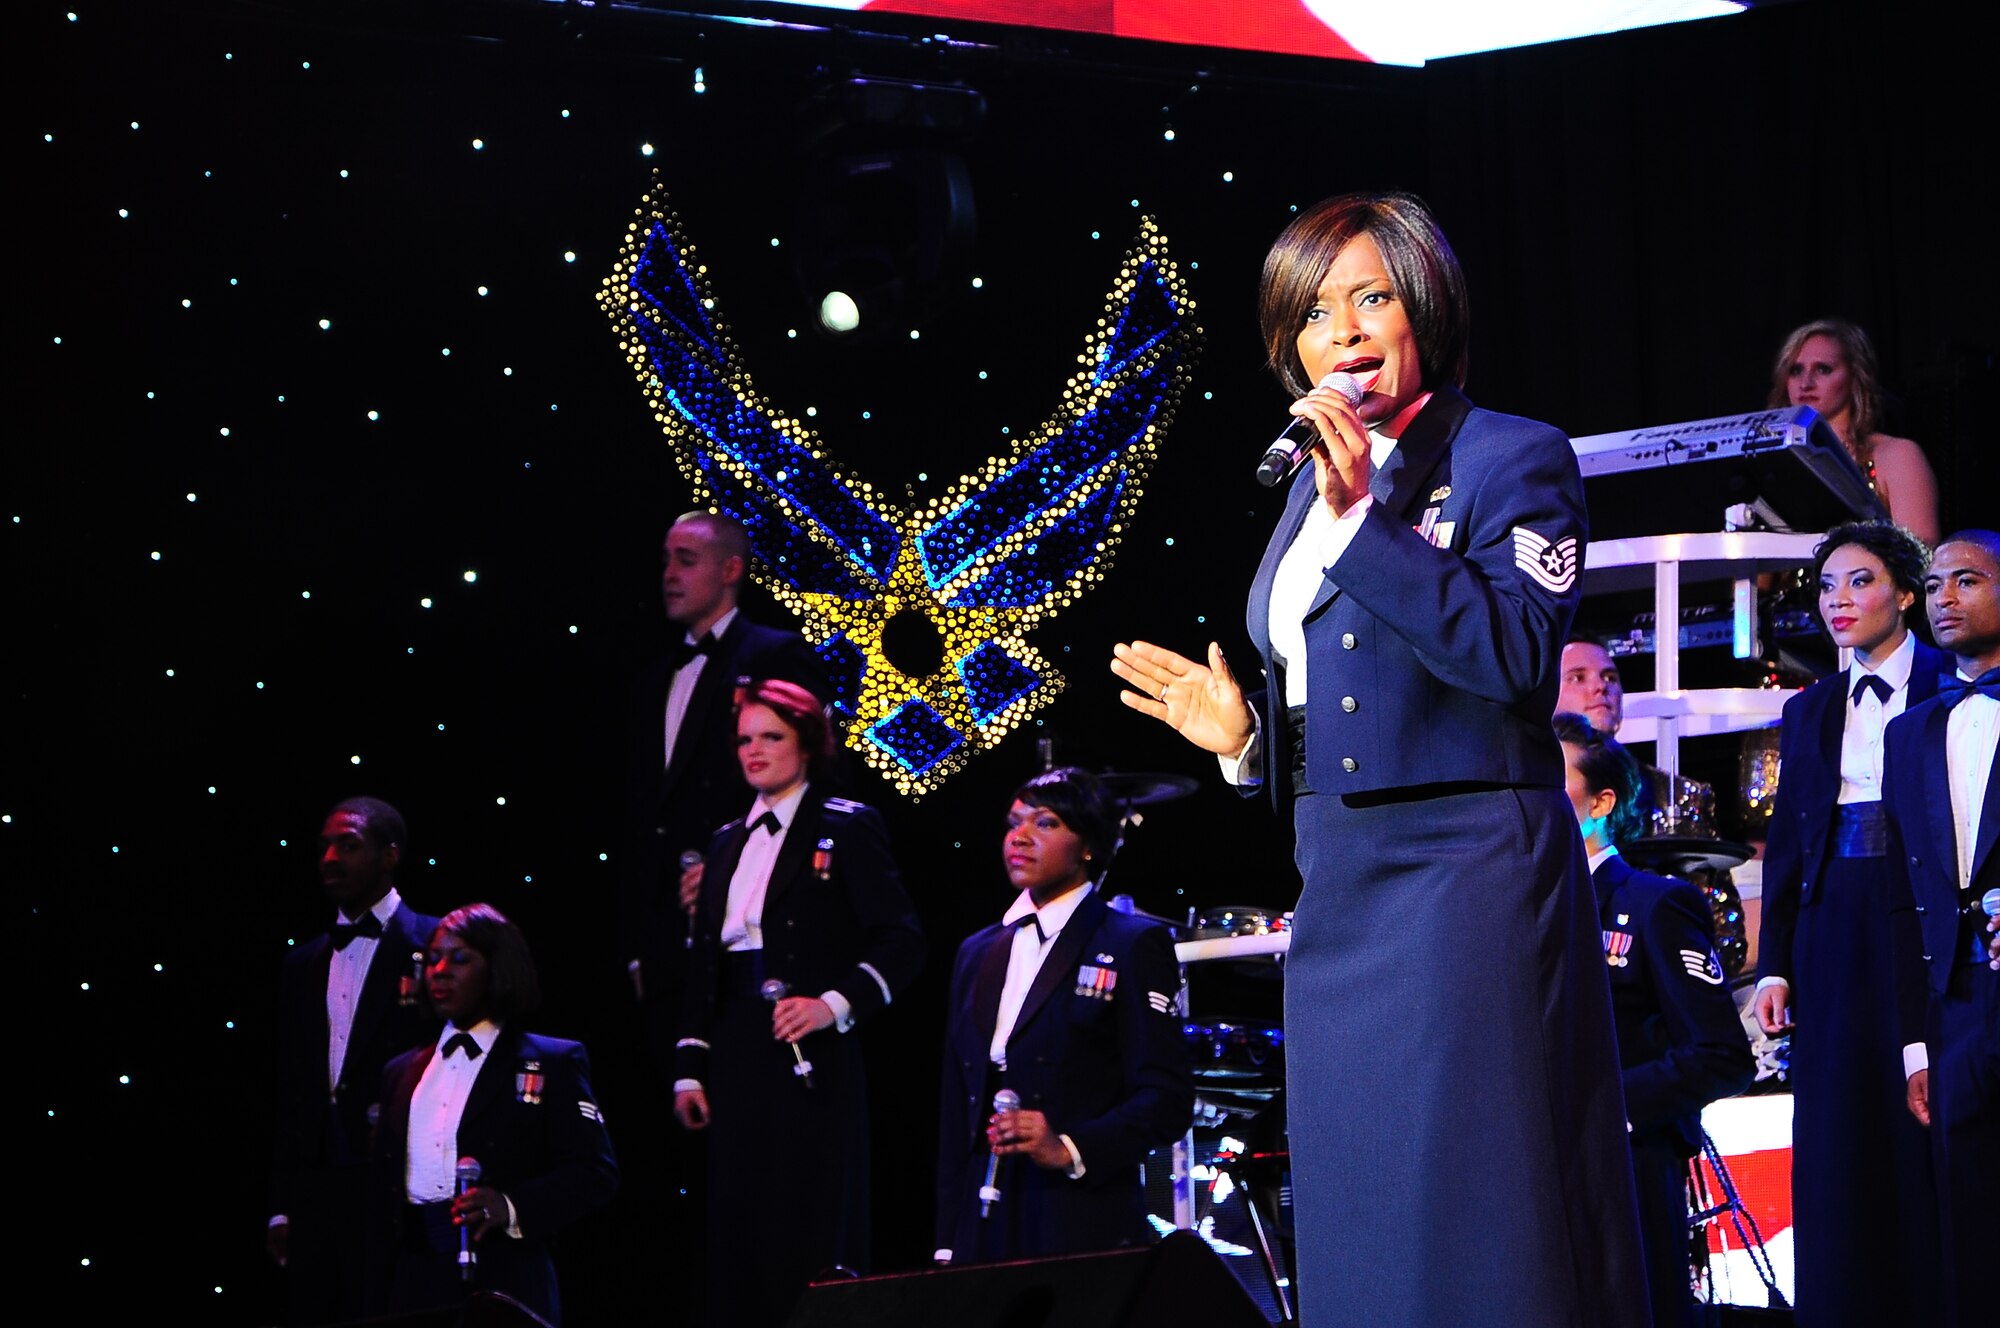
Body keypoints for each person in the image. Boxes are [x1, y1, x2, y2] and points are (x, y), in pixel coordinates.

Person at [1111, 190, 1645, 1326]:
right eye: (1312, 313)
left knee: (1477, 1195)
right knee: (1360, 1197)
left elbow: (1510, 657)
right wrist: (1248, 740)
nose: (1340, 332)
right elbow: (1344, 697)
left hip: (1467, 874)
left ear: (1425, 308)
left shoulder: (1512, 456)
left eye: (1370, 297)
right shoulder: (1308, 484)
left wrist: (1363, 523)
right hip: (1340, 880)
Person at [672, 679, 924, 1328]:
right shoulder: (726, 840)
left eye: (771, 737)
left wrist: (832, 1004)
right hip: (736, 1053)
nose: (754, 751)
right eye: (745, 739)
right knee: (738, 1231)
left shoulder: (846, 825)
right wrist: (690, 1065)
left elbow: (901, 941)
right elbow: (706, 967)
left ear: (807, 744)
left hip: (811, 1055)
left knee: (806, 1226)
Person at [1752, 519, 1946, 1325]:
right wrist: (1775, 962)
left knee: (1924, 1114)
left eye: (1860, 581)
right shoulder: (1811, 709)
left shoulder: (1954, 677)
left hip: (1927, 913)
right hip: (1833, 919)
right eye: (1827, 586)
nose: (1839, 601)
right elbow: (1793, 842)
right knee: (1836, 1127)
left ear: (1906, 592)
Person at [933, 767, 1192, 1266]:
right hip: (984, 1222)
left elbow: (1167, 1099)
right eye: (1014, 822)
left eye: (1046, 822)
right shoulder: (976, 951)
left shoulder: (1129, 943)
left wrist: (1070, 1146)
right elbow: (955, 1110)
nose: (1020, 837)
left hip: (1081, 1218)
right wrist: (948, 1238)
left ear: (1090, 844)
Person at [1557, 713, 1755, 1328]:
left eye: (1550, 777)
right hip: (1533, 1166)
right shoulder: (1507, 911)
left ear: (1601, 802)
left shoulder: (1654, 903)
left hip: (1631, 1161)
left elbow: (1722, 1055)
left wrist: (1609, 1107)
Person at [368, 903, 618, 1325]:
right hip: (413, 1280)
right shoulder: (400, 1072)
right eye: (432, 959)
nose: (440, 970)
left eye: (460, 958)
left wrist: (511, 1204)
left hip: (505, 1276)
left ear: (497, 966)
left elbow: (595, 1171)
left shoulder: (550, 1060)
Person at [622, 510, 824, 1017]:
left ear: (730, 570)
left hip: (744, 915)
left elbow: (812, 779)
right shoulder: (651, 679)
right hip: (662, 927)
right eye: (666, 560)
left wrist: (733, 865)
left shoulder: (776, 654)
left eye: (686, 561)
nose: (669, 574)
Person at [1887, 530, 2000, 1328]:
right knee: (1966, 1214)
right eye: (1933, 586)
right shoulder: (1910, 731)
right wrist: (1916, 1046)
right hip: (1953, 1003)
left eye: (1967, 580)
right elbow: (1904, 891)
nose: (1945, 598)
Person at [269, 797, 439, 1325]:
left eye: (348, 844)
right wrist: (281, 1203)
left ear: (390, 856)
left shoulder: (437, 944)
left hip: (398, 1185)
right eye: (323, 846)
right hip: (318, 1188)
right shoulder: (302, 963)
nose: (329, 857)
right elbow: (288, 1090)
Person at [1771, 319, 1940, 545]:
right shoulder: (1774, 465)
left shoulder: (1897, 455)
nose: (1806, 383)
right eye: (1795, 370)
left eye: (1823, 369)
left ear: (1855, 376)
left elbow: (1921, 560)